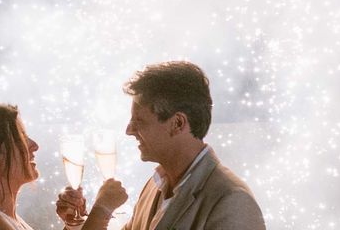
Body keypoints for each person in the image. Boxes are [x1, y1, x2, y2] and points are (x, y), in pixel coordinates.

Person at [57, 61, 265, 230]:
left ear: (177, 123)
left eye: (139, 120)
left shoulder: (232, 201)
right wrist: (77, 223)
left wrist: (102, 209)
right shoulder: (153, 186)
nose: (128, 130)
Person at [0, 103, 127, 230]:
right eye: (21, 138)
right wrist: (102, 209)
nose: (34, 145)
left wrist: (71, 224)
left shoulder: (4, 217)